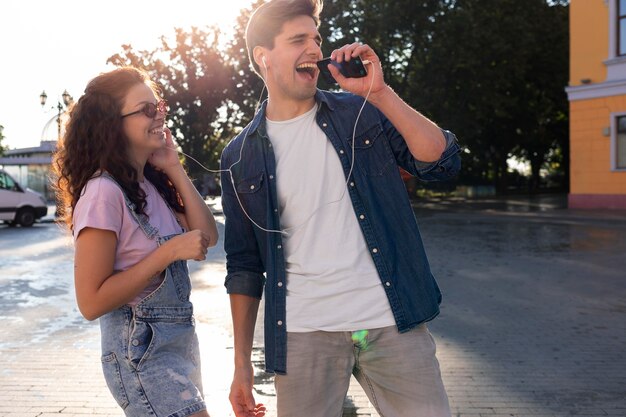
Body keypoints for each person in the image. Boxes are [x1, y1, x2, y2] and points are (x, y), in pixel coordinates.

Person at [220, 0, 462, 416]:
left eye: (316, 38)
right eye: (298, 40)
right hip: (303, 336)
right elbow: (243, 267)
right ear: (264, 57)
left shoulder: (361, 112)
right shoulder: (239, 156)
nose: (314, 49)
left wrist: (381, 94)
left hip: (391, 321)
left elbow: (441, 163)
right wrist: (242, 366)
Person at [53, 67, 218, 417]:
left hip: (178, 346)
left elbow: (208, 236)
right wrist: (168, 252)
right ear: (112, 125)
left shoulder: (151, 185)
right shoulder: (102, 192)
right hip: (141, 353)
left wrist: (173, 167)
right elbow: (90, 301)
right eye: (146, 109)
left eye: (159, 105)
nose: (159, 114)